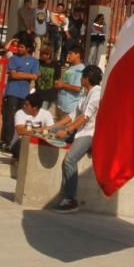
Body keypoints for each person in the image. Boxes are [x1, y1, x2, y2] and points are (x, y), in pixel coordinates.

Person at [50, 64, 103, 213]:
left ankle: (71, 200)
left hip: (90, 133)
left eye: (82, 76)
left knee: (70, 160)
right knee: (51, 133)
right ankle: (65, 196)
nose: (81, 79)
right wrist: (52, 127)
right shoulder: (85, 93)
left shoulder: (96, 93)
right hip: (80, 131)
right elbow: (73, 115)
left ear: (87, 78)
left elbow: (85, 117)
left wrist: (67, 130)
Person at [0, 34, 39, 149]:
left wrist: (19, 73)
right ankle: (6, 142)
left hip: (24, 94)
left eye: (21, 47)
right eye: (18, 46)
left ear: (28, 48)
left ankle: (15, 143)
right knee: (9, 118)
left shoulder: (34, 61)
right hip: (12, 92)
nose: (18, 49)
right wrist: (28, 75)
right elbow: (13, 75)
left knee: (20, 119)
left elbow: (35, 76)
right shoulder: (13, 58)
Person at [9, 92, 54, 160]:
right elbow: (20, 131)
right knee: (24, 142)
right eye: (24, 104)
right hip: (19, 144)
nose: (24, 106)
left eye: (26, 105)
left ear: (35, 108)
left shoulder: (46, 114)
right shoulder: (20, 113)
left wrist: (31, 131)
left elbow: (51, 130)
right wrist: (41, 130)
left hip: (37, 144)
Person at [54, 44, 85, 118]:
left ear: (77, 55)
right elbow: (65, 83)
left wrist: (63, 85)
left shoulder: (81, 69)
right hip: (60, 106)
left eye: (70, 53)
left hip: (70, 110)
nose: (68, 56)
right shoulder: (70, 68)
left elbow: (78, 88)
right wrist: (59, 83)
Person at [34, 46, 59, 111]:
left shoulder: (55, 65)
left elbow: (57, 79)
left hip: (50, 94)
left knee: (44, 113)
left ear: (49, 55)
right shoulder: (37, 62)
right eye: (41, 53)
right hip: (40, 93)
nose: (41, 55)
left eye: (43, 53)